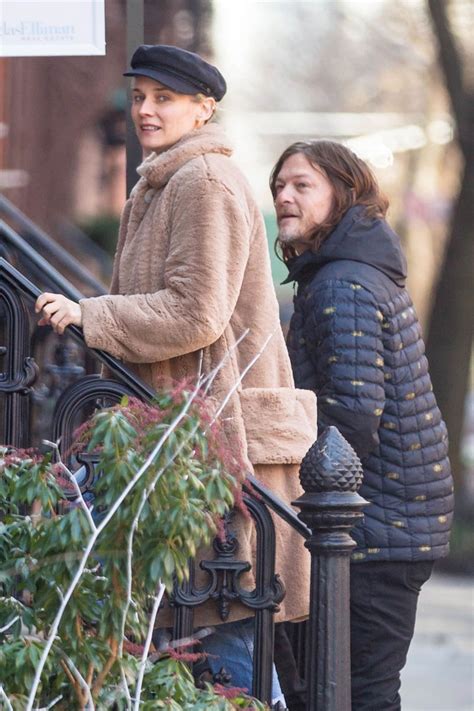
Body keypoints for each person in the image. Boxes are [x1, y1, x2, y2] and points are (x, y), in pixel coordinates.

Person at [35, 45, 316, 704]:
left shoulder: (204, 182)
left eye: (164, 98)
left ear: (203, 107)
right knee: (200, 638)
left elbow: (197, 313)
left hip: (215, 444)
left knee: (225, 636)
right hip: (178, 440)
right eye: (139, 97)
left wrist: (89, 313)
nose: (146, 110)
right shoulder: (166, 179)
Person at [270, 139, 454, 711]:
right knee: (345, 691)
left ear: (343, 195)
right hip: (386, 521)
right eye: (279, 185)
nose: (284, 196)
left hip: (374, 527)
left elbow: (351, 417)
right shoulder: (346, 271)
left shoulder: (342, 283)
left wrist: (279, 467)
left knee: (357, 694)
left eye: (302, 185)